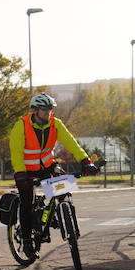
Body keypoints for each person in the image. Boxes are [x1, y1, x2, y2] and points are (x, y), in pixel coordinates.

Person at [9, 93, 98, 257]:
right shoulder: (21, 126)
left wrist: (85, 161)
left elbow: (71, 143)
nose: (48, 112)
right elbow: (16, 152)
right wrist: (21, 175)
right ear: (35, 110)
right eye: (44, 109)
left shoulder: (56, 124)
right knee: (27, 203)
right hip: (26, 170)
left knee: (64, 189)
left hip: (48, 166)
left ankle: (61, 215)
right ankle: (27, 241)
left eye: (50, 109)